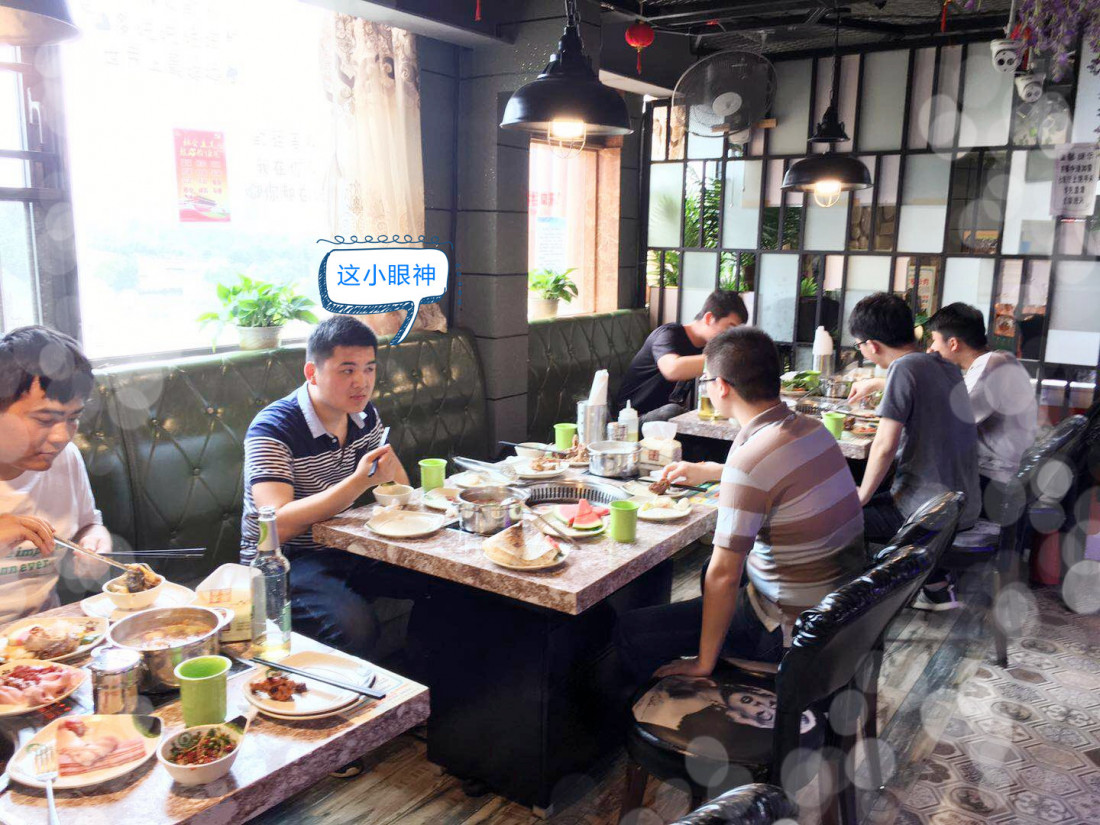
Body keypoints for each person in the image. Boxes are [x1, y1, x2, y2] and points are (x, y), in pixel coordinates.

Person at [615, 327, 864, 683]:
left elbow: (724, 574)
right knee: (708, 572)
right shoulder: (812, 429)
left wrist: (703, 661)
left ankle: (674, 698)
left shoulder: (751, 461)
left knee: (634, 629)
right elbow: (774, 478)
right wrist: (711, 470)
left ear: (721, 387)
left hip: (791, 633)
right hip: (839, 612)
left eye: (706, 380)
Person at [241, 316, 412, 657]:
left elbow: (399, 490)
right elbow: (276, 525)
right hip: (285, 560)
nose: (362, 382)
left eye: (369, 369)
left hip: (350, 544)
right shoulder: (273, 429)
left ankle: (426, 677)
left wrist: (392, 481)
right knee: (355, 626)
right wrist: (359, 482)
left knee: (448, 583)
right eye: (347, 370)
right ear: (312, 373)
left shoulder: (364, 415)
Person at [847, 294, 981, 610]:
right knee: (879, 495)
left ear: (872, 345)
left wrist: (861, 495)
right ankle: (936, 587)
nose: (861, 351)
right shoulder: (943, 365)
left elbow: (884, 445)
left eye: (859, 345)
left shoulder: (904, 368)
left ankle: (857, 603)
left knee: (842, 517)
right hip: (959, 504)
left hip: (927, 511)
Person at [0, 326, 110, 624]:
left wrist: (94, 541)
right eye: (45, 419)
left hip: (46, 632)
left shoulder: (64, 459)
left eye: (73, 418)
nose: (62, 437)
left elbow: (88, 524)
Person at [926, 302, 1038, 496]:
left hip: (996, 480)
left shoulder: (989, 367)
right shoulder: (1000, 358)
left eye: (934, 340)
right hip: (1007, 470)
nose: (931, 348)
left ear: (953, 343)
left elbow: (946, 420)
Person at [616, 290, 747, 422]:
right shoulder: (667, 334)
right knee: (673, 411)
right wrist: (724, 359)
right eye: (729, 328)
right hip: (632, 419)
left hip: (666, 422)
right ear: (709, 318)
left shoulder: (707, 347)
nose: (731, 337)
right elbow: (672, 369)